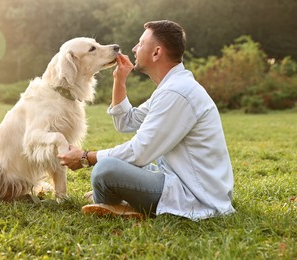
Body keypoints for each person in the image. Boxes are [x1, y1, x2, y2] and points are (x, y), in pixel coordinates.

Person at [57, 20, 235, 220]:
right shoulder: (171, 88)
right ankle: (117, 201)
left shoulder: (177, 92)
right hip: (176, 178)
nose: (133, 49)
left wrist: (85, 157)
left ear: (156, 52)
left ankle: (119, 203)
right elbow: (126, 122)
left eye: (140, 44)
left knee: (106, 169)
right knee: (112, 166)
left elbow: (140, 152)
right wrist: (119, 80)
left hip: (196, 195)